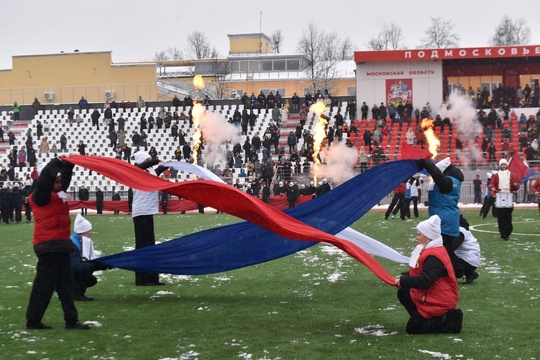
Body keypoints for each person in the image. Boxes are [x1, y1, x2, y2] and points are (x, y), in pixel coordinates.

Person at [26, 158, 91, 330]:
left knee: (66, 285)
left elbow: (62, 180)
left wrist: (69, 165)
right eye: (56, 180)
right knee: (44, 286)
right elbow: (47, 178)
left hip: (61, 245)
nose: (60, 183)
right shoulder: (39, 196)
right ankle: (33, 320)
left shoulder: (57, 194)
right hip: (47, 246)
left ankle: (71, 320)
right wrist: (56, 162)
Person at [395, 215, 463, 334]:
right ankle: (424, 317)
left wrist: (404, 280)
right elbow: (423, 272)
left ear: (428, 237)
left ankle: (449, 320)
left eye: (419, 235)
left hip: (439, 298)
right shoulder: (432, 250)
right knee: (404, 292)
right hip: (434, 292)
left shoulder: (433, 255)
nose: (416, 238)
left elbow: (425, 280)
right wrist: (403, 278)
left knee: (413, 329)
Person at [132, 151, 168, 286]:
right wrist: (154, 160)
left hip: (148, 211)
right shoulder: (135, 172)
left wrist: (170, 163)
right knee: (142, 246)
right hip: (140, 212)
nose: (149, 161)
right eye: (146, 159)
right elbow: (141, 167)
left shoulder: (150, 172)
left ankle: (152, 277)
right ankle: (141, 279)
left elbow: (160, 169)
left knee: (150, 245)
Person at [70, 214, 108, 301]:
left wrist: (104, 265)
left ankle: (73, 291)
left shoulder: (76, 242)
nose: (90, 234)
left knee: (90, 278)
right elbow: (77, 267)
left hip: (68, 273)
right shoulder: (73, 245)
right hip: (65, 274)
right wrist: (98, 265)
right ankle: (75, 293)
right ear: (82, 232)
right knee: (86, 275)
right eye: (88, 231)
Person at [488, 158, 520, 240]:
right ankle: (503, 233)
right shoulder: (496, 175)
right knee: (500, 217)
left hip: (508, 197)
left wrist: (516, 185)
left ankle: (508, 231)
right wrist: (492, 188)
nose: (503, 166)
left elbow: (516, 187)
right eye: (502, 164)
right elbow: (491, 184)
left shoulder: (511, 175)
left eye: (504, 164)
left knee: (508, 216)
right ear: (500, 166)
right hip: (499, 197)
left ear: (507, 165)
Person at [455, 215, 481, 284]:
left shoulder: (459, 232)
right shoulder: (462, 231)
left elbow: (452, 246)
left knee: (445, 262)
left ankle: (461, 272)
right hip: (471, 259)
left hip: (467, 259)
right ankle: (469, 273)